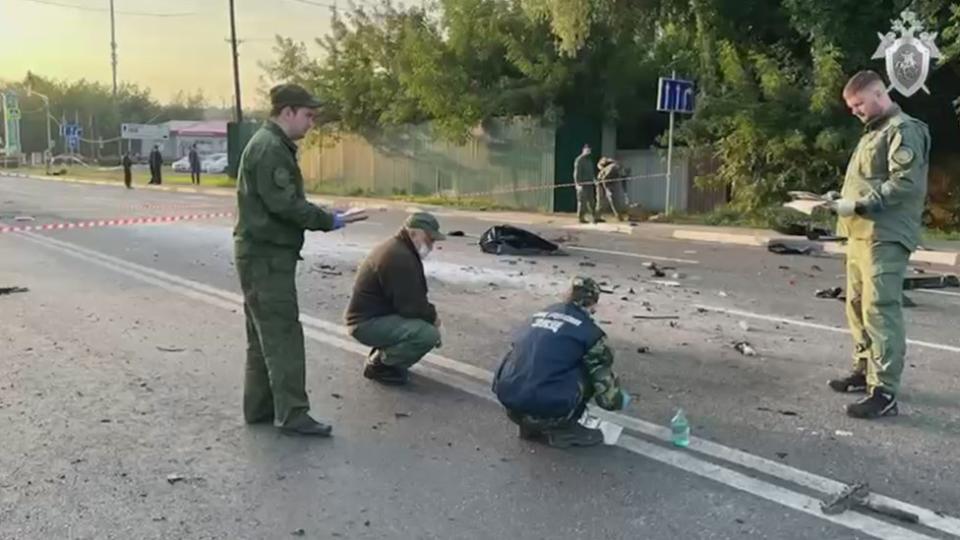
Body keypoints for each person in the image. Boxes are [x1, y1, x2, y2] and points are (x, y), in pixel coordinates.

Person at [234, 83, 367, 437]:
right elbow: (286, 204)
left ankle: (259, 408)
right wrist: (330, 220)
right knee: (283, 335)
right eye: (307, 115)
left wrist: (327, 215)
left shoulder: (270, 144)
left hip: (260, 254)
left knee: (261, 336)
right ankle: (293, 414)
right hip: (267, 257)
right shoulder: (270, 149)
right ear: (287, 112)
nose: (311, 123)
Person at [825, 70, 930, 419]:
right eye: (851, 106)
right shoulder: (874, 133)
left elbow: (905, 184)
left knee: (879, 309)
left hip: (885, 235)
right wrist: (837, 201)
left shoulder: (904, 130)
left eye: (858, 104)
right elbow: (866, 181)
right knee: (855, 305)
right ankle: (864, 369)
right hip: (861, 235)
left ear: (878, 94)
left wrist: (859, 204)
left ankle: (884, 391)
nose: (855, 111)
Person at [492, 276, 631, 447]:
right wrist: (619, 399)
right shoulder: (591, 334)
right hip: (547, 407)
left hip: (510, 402)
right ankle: (563, 428)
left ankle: (529, 425)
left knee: (532, 357)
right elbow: (607, 398)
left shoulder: (536, 316)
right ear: (593, 305)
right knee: (589, 367)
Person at [344, 212, 445, 385]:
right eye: (429, 239)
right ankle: (381, 365)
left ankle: (385, 353)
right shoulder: (399, 256)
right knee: (427, 334)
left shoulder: (401, 248)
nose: (431, 245)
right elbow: (412, 307)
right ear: (413, 233)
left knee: (424, 324)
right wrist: (435, 320)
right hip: (366, 323)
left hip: (374, 316)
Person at [573, 144, 600, 224]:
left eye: (589, 150)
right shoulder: (579, 160)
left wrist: (594, 180)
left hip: (590, 184)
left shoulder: (589, 161)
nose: (588, 151)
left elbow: (591, 173)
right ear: (583, 150)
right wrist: (577, 184)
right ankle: (581, 218)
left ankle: (594, 217)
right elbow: (576, 173)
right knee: (582, 202)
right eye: (587, 150)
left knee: (592, 201)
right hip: (582, 184)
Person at [596, 156, 629, 221]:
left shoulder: (620, 171)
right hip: (601, 182)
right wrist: (606, 190)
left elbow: (623, 182)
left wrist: (625, 194)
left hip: (609, 182)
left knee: (613, 199)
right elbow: (604, 179)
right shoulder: (613, 168)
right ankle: (597, 217)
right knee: (601, 200)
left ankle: (618, 216)